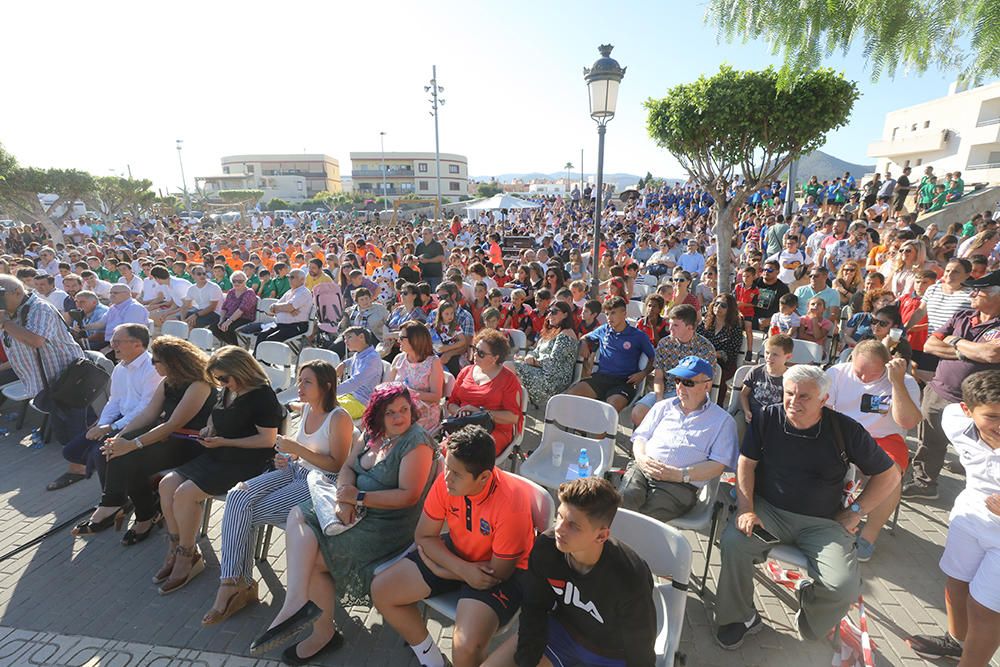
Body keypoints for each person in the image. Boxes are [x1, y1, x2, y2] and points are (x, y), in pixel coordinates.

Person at [715, 365, 901, 649]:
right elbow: (746, 463)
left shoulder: (845, 429)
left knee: (843, 586)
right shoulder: (767, 417)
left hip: (824, 522)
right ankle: (739, 617)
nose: (793, 401)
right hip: (769, 512)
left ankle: (811, 608)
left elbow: (889, 475)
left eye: (804, 396)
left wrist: (855, 512)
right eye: (789, 393)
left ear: (824, 400)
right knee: (734, 542)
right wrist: (745, 508)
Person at [249, 383, 437, 662]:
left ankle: (319, 630)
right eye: (390, 412)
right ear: (377, 415)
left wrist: (358, 497)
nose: (399, 417)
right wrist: (343, 499)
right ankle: (298, 603)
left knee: (312, 559)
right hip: (355, 510)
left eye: (404, 410)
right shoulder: (372, 434)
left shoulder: (416, 441)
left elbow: (408, 497)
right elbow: (347, 467)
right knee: (298, 514)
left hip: (388, 525)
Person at [203, 360, 353, 626]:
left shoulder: (338, 417)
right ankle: (236, 582)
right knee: (237, 496)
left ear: (326, 386)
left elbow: (337, 465)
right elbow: (298, 452)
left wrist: (297, 449)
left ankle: (236, 585)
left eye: (307, 381)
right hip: (296, 471)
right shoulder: (307, 409)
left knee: (242, 514)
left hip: (318, 481)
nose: (300, 386)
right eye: (298, 380)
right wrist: (287, 456)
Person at [372, 425, 535, 667]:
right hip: (462, 560)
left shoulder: (512, 504)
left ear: (484, 477)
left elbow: (497, 573)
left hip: (500, 574)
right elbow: (424, 536)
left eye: (456, 474)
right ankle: (433, 661)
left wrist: (445, 569)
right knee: (382, 591)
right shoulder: (448, 480)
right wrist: (458, 570)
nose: (446, 477)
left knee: (465, 647)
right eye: (447, 467)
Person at [481, 478, 656, 667]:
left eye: (573, 525)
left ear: (601, 535)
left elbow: (641, 649)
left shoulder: (629, 576)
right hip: (562, 634)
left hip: (611, 654)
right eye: (560, 516)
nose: (559, 529)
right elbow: (534, 608)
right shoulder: (546, 548)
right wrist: (527, 661)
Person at [155, 346, 283, 595]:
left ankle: (187, 555)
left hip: (246, 462)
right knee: (166, 484)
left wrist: (226, 441)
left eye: (224, 378)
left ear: (241, 370)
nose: (221, 383)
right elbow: (216, 415)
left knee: (185, 493)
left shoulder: (262, 396)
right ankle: (175, 545)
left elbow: (267, 440)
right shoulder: (228, 389)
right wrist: (210, 429)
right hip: (218, 454)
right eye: (218, 379)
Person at [83, 336, 218, 543]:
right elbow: (148, 415)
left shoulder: (199, 385)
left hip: (191, 443)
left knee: (129, 457)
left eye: (156, 361)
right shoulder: (168, 382)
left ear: (172, 362)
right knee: (114, 448)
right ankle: (134, 510)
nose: (152, 364)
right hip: (169, 438)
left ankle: (124, 507)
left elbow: (173, 423)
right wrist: (120, 438)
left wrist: (132, 444)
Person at [907, 370, 1000, 666]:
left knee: (985, 608)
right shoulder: (953, 419)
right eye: (992, 417)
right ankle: (957, 641)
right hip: (969, 516)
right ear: (967, 410)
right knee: (956, 582)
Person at [904, 270, 1000, 500]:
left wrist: (954, 341)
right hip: (940, 390)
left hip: (982, 404)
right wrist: (970, 350)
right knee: (929, 442)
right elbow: (929, 345)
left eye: (980, 290)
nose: (973, 293)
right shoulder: (963, 315)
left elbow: (992, 353)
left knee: (984, 450)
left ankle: (983, 494)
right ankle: (925, 483)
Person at [825, 341, 922, 561]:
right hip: (843, 432)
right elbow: (825, 410)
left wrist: (896, 383)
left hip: (884, 439)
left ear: (888, 365)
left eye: (874, 374)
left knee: (891, 475)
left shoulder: (905, 382)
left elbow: (907, 421)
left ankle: (867, 536)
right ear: (851, 361)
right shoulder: (838, 373)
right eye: (860, 372)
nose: (865, 379)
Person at [621, 356, 739, 521]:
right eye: (677, 381)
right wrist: (641, 458)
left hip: (680, 485)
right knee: (622, 503)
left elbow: (718, 466)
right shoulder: (663, 406)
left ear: (707, 385)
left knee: (645, 521)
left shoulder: (723, 421)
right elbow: (640, 437)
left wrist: (680, 474)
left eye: (688, 383)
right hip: (642, 470)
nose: (680, 387)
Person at [47, 324, 161, 492]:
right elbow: (114, 401)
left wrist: (111, 427)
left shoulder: (152, 368)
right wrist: (103, 424)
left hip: (144, 422)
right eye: (112, 341)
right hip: (121, 420)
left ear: (137, 344)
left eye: (117, 342)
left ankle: (113, 499)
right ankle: (128, 483)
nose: (112, 345)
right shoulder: (120, 368)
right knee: (71, 452)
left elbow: (146, 408)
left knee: (99, 454)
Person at [0, 275, 88, 449]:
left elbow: (36, 340)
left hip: (64, 379)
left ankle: (80, 467)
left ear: (17, 292)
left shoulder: (39, 308)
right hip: (43, 382)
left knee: (72, 431)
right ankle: (79, 462)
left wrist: (4, 323)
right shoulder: (12, 313)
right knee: (66, 430)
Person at [568, 296, 655, 416]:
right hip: (601, 377)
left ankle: (599, 434)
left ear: (624, 313)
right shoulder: (604, 329)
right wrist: (583, 343)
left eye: (613, 313)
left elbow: (654, 358)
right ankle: (579, 431)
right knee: (569, 397)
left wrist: (643, 373)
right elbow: (586, 337)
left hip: (624, 382)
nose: (609, 318)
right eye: (607, 314)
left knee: (609, 411)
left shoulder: (639, 336)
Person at [631, 304, 715, 426]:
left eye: (675, 325)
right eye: (670, 324)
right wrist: (660, 400)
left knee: (669, 421)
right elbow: (658, 378)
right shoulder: (664, 343)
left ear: (690, 327)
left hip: (690, 394)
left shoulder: (705, 348)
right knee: (637, 414)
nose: (670, 328)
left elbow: (705, 385)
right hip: (665, 391)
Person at [447, 329, 524, 457]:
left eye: (481, 353)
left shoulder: (508, 379)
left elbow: (513, 417)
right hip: (464, 426)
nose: (475, 354)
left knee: (465, 455)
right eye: (474, 349)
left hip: (494, 430)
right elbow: (451, 403)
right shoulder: (466, 371)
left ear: (495, 358)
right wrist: (462, 412)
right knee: (440, 451)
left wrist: (480, 413)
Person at [512, 300, 578, 407]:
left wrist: (533, 361)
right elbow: (535, 351)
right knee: (513, 377)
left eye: (555, 312)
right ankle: (514, 410)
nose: (550, 315)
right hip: (541, 373)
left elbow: (554, 363)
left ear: (565, 315)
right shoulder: (550, 332)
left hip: (553, 381)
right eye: (549, 311)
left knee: (509, 367)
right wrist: (529, 356)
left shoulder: (566, 334)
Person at [387, 320, 445, 433]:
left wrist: (409, 393)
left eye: (401, 338)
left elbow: (436, 396)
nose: (398, 341)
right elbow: (387, 386)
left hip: (422, 413)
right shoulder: (399, 359)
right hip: (399, 408)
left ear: (415, 340)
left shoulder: (433, 362)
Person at [236, 268, 311, 352]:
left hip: (296, 326)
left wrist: (286, 308)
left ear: (302, 280)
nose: (289, 279)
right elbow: (272, 308)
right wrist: (285, 308)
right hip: (281, 324)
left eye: (292, 277)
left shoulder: (303, 292)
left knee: (270, 340)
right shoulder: (290, 292)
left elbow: (289, 307)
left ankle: (264, 361)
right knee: (262, 335)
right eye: (289, 277)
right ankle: (257, 359)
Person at [697, 294, 743, 406]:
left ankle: (716, 405)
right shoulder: (705, 323)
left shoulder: (735, 328)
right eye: (716, 304)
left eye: (723, 305)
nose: (718, 307)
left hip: (724, 364)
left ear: (730, 309)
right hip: (703, 358)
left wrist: (713, 354)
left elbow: (731, 352)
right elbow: (696, 341)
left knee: (717, 373)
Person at [739, 334, 794, 426]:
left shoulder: (790, 378)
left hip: (775, 422)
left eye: (775, 354)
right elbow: (744, 394)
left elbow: (789, 404)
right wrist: (747, 411)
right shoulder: (756, 371)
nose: (769, 357)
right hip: (753, 418)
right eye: (767, 352)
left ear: (788, 357)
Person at [337, 327, 384, 419]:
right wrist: (344, 364)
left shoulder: (372, 358)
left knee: (325, 407)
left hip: (361, 403)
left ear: (361, 337)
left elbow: (356, 382)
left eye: (349, 337)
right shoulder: (360, 354)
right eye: (345, 339)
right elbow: (353, 360)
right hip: (350, 397)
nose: (346, 341)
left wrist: (332, 391)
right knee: (319, 401)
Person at [209, 270, 257, 346]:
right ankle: (230, 345)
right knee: (214, 327)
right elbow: (224, 307)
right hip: (230, 317)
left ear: (245, 281)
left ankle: (235, 349)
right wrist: (221, 320)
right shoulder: (231, 292)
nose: (236, 283)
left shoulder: (249, 292)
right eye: (234, 281)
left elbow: (241, 310)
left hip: (244, 318)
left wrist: (228, 321)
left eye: (240, 281)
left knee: (229, 328)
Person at [751, 260, 789, 332]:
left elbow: (785, 309)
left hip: (771, 323)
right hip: (751, 320)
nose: (766, 272)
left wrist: (770, 320)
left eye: (770, 270)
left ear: (777, 272)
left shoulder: (783, 288)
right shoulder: (754, 283)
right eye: (764, 269)